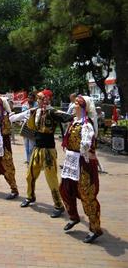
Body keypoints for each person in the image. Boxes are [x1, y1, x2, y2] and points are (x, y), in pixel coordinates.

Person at [13, 89, 73, 218]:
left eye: (40, 98)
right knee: (30, 176)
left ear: (46, 99)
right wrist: (7, 116)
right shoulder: (35, 111)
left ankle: (59, 205)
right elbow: (19, 116)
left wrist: (78, 117)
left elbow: (66, 117)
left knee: (51, 179)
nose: (37, 100)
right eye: (37, 98)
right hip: (37, 148)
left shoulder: (52, 112)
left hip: (48, 151)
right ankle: (30, 197)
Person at [59, 95, 103, 243]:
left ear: (83, 107)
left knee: (87, 195)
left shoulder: (86, 124)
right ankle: (73, 217)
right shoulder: (74, 121)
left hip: (83, 163)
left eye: (77, 103)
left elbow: (87, 142)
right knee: (65, 189)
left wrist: (86, 148)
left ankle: (95, 228)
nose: (74, 105)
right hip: (71, 162)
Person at [19, 92, 37, 164]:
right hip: (25, 127)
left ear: (34, 99)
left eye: (31, 98)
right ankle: (28, 159)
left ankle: (32, 159)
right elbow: (22, 115)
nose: (30, 99)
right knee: (26, 145)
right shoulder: (24, 105)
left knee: (32, 146)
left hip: (33, 128)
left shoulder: (37, 105)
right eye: (29, 98)